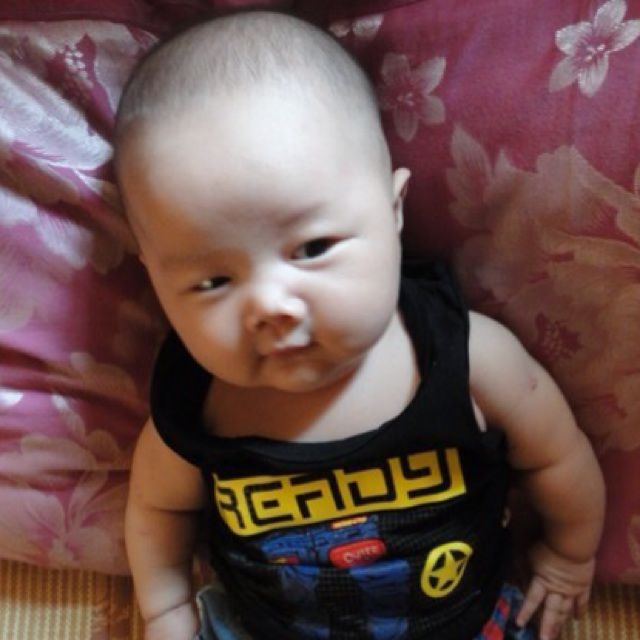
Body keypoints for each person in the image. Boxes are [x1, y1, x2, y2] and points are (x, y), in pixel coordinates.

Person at [114, 10, 605, 640]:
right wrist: (164, 610)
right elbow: (158, 509)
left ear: (392, 210)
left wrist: (568, 556)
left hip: (466, 620)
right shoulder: (195, 408)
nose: (271, 305)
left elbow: (558, 456)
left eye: (313, 248)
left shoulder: (468, 360)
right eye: (212, 282)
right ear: (154, 276)